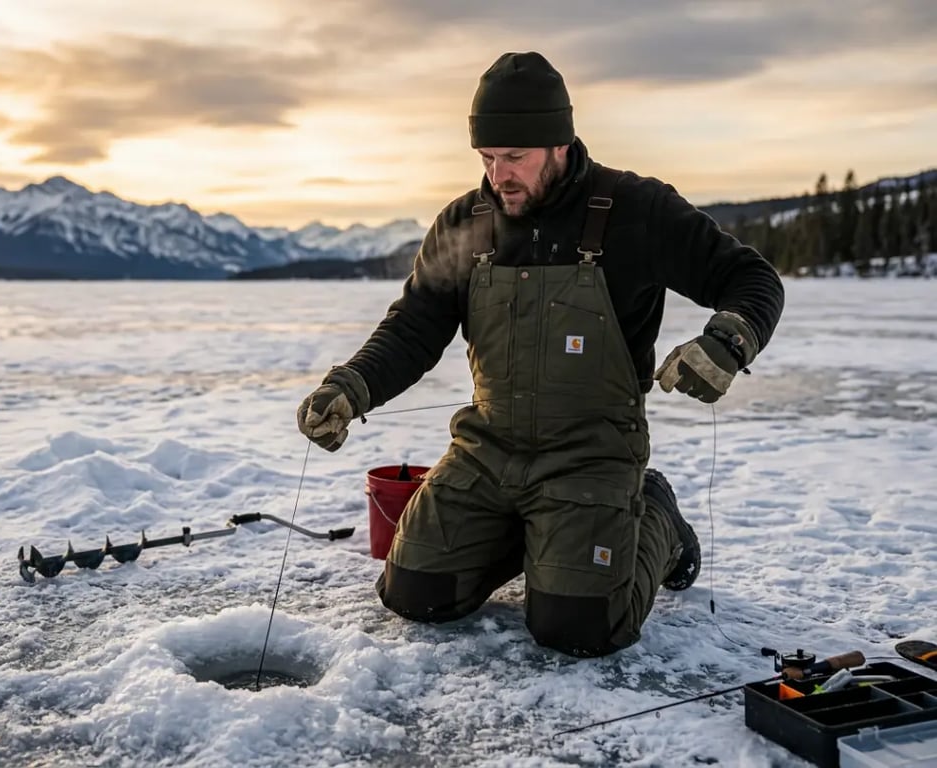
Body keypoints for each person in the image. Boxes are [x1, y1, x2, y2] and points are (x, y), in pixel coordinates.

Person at [296, 51, 785, 658]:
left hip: (591, 452)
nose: (499, 175)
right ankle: (540, 537)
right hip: (488, 449)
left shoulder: (636, 210)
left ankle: (656, 514)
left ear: (559, 142)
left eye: (515, 158)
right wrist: (351, 385)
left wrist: (728, 342)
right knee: (414, 592)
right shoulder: (465, 225)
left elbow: (752, 277)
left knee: (577, 628)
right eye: (487, 158)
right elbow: (414, 327)